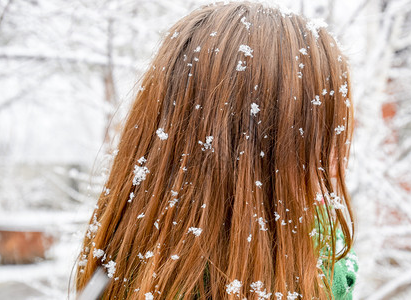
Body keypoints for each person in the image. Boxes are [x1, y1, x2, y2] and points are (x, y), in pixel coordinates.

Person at [75, 1, 357, 299]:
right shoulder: (315, 271)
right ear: (250, 161)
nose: (337, 170)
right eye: (320, 146)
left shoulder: (117, 273)